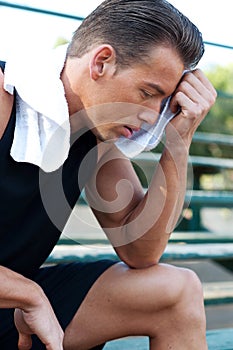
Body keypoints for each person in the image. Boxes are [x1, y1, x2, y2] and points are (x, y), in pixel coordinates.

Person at [0, 0, 217, 349]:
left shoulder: (95, 133)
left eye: (162, 104)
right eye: (148, 94)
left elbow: (140, 251)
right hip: (18, 298)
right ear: (101, 62)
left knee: (176, 290)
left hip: (13, 309)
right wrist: (28, 293)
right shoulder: (4, 98)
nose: (151, 116)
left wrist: (180, 138)